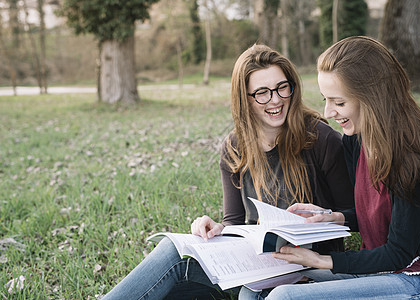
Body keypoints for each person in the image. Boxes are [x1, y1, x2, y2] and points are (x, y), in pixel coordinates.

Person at [102, 44, 354, 300]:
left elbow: (355, 216)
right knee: (172, 256)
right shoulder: (235, 147)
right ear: (244, 98)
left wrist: (326, 219)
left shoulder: (321, 139)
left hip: (310, 270)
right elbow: (234, 222)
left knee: (249, 294)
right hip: (257, 266)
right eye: (262, 93)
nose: (276, 99)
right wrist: (216, 228)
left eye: (281, 87)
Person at [239, 36, 420, 300]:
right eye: (326, 100)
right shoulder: (356, 141)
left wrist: (322, 260)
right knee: (255, 286)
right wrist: (335, 217)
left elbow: (399, 252)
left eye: (339, 103)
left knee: (284, 297)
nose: (328, 112)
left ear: (373, 98)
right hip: (379, 267)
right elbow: (377, 215)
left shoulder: (412, 158)